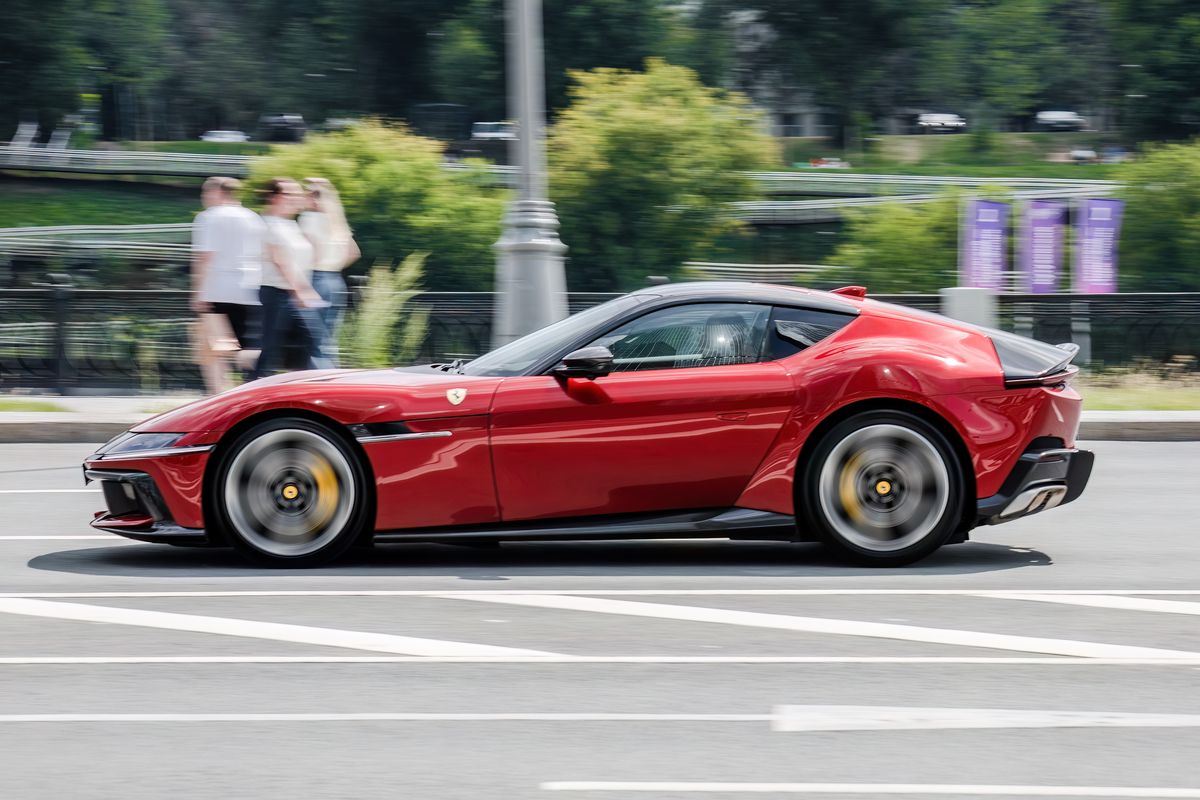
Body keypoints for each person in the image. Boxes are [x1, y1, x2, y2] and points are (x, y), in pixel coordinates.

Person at [251, 177, 333, 380]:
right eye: (289, 194)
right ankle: (254, 389)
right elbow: (281, 261)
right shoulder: (268, 224)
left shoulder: (291, 225)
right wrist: (301, 290)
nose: (295, 198)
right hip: (278, 293)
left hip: (292, 295)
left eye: (297, 194)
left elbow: (310, 255)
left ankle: (313, 385)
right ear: (273, 197)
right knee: (278, 346)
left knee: (310, 343)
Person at [191, 176, 265, 393]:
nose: (204, 198)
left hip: (217, 289)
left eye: (206, 193)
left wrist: (198, 291)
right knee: (247, 347)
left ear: (218, 193)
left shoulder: (209, 217)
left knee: (214, 349)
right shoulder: (253, 218)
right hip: (251, 288)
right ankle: (251, 392)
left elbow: (205, 257)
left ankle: (219, 396)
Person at [299, 177, 359, 365]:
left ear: (313, 199)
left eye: (305, 196)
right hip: (335, 281)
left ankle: (314, 383)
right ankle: (331, 379)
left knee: (314, 339)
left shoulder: (309, 218)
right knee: (328, 340)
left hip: (315, 279)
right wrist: (334, 264)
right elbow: (354, 253)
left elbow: (311, 251)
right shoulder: (338, 223)